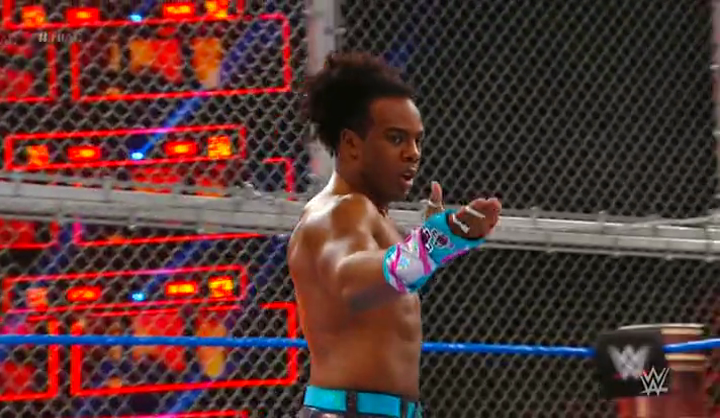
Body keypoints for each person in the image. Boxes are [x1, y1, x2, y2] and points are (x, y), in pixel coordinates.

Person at [288, 51, 502, 418]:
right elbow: (350, 279)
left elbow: (390, 280)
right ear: (352, 144)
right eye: (396, 139)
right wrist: (437, 242)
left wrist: (432, 241)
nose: (412, 154)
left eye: (417, 141)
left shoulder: (375, 218)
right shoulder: (341, 211)